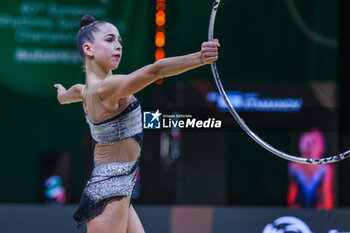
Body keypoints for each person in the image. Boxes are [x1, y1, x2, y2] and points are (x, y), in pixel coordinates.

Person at [54, 15, 219, 232]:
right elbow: (156, 70)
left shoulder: (83, 91)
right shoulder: (107, 87)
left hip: (117, 189)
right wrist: (200, 58)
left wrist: (62, 94)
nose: (118, 46)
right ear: (88, 49)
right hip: (111, 192)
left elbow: (70, 95)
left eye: (120, 41)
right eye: (110, 40)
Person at [287, 128, 335, 210]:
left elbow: (326, 193)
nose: (308, 146)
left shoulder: (324, 168)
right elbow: (291, 193)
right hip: (297, 210)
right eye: (305, 142)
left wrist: (326, 212)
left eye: (311, 143)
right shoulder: (293, 167)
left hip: (319, 211)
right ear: (300, 145)